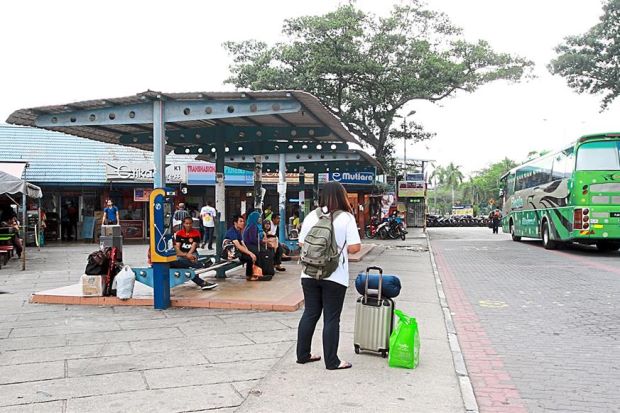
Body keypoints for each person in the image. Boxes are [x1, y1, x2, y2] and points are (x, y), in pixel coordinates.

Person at [296, 181, 361, 370]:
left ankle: (303, 355)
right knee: (331, 318)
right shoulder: (346, 218)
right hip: (335, 276)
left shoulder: (311, 216)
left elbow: (302, 244)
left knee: (310, 313)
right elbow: (356, 248)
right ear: (342, 196)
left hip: (308, 273)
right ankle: (332, 361)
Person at [172, 217, 218, 290]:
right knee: (182, 262)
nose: (188, 225)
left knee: (191, 260)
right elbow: (177, 247)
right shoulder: (179, 233)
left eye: (190, 223)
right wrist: (185, 255)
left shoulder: (196, 233)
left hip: (191, 253)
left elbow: (194, 245)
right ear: (183, 224)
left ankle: (202, 281)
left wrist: (189, 255)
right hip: (182, 254)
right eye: (186, 223)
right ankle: (202, 266)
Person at [223, 214, 261, 280]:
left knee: (254, 253)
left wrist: (249, 252)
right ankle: (249, 276)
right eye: (241, 221)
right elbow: (238, 246)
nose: (243, 223)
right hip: (231, 254)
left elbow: (243, 244)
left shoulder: (238, 231)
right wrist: (250, 253)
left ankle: (254, 273)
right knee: (250, 257)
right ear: (235, 223)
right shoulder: (232, 232)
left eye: (243, 221)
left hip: (237, 251)